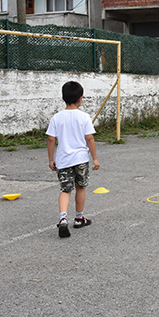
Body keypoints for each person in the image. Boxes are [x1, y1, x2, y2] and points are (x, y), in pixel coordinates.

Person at [47, 81, 100, 238]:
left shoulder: (57, 118)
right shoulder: (84, 117)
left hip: (63, 160)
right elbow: (89, 138)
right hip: (81, 159)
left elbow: (51, 140)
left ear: (63, 98)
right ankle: (79, 218)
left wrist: (51, 159)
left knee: (65, 190)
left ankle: (63, 219)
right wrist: (95, 158)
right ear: (80, 99)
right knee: (81, 187)